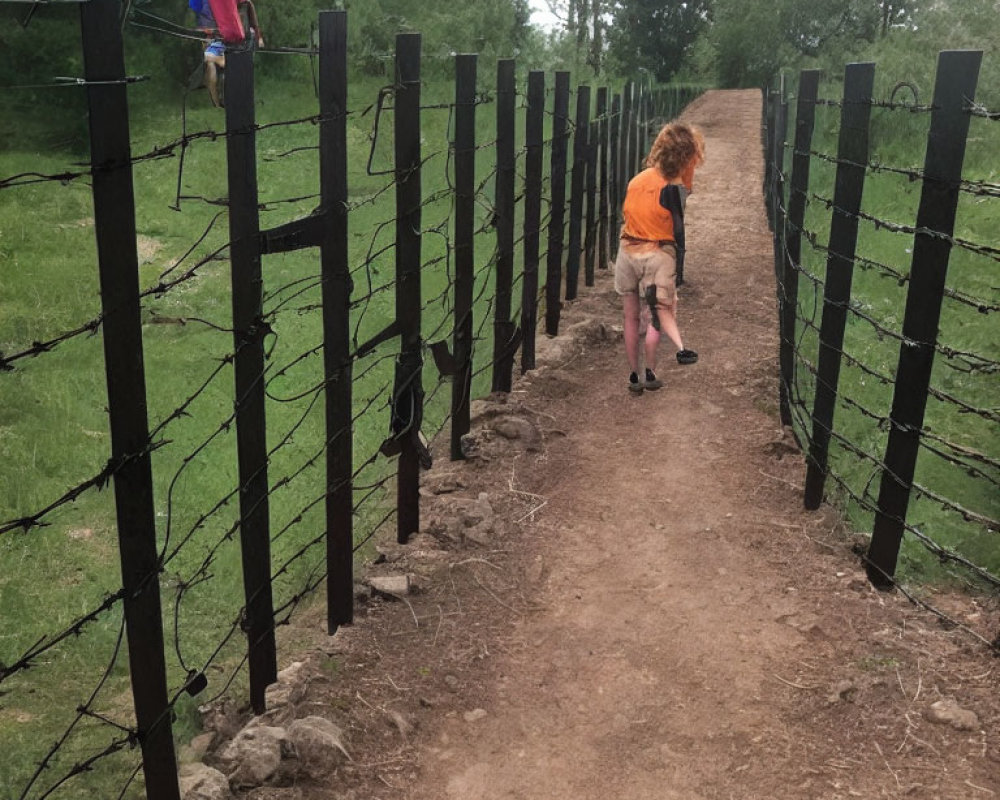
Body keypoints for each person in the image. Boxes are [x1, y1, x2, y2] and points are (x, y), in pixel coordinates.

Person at [613, 122, 704, 394]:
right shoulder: (675, 187)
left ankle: (633, 376)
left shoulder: (637, 180)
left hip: (627, 251)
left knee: (629, 317)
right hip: (656, 253)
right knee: (657, 313)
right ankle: (651, 372)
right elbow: (677, 227)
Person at [190, 0, 265, 108]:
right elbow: (206, 23)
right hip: (223, 41)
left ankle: (235, 99)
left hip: (241, 42)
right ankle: (217, 104)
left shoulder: (246, 4)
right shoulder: (217, 7)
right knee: (210, 63)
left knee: (235, 73)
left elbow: (253, 23)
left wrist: (259, 37)